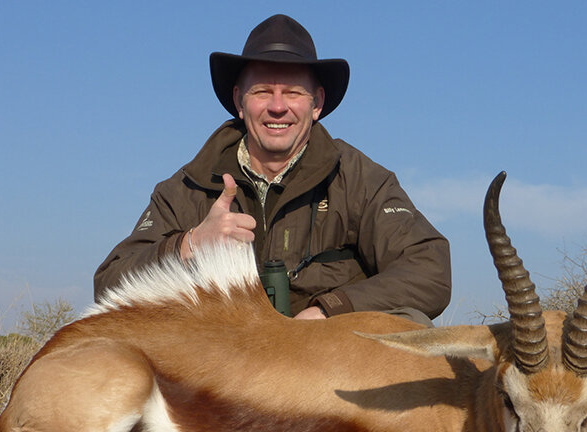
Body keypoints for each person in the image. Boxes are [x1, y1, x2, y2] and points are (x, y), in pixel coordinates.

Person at [93, 14, 451, 324]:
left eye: (293, 93)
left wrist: (330, 310)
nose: (278, 108)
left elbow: (431, 270)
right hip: (219, 367)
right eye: (263, 91)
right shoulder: (186, 187)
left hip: (324, 361)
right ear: (239, 102)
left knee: (410, 324)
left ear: (317, 104)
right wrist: (190, 245)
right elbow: (109, 284)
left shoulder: (362, 180)